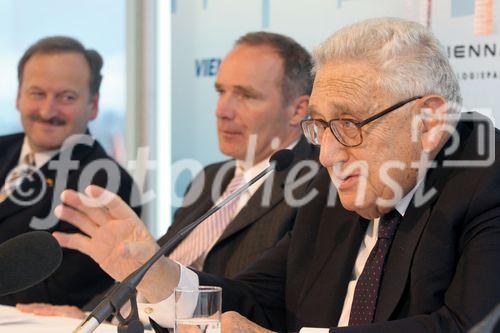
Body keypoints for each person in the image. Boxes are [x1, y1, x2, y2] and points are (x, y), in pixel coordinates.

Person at [36, 18, 500, 332]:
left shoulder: (486, 180)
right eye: (319, 127)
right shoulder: (331, 191)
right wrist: (156, 275)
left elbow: (467, 325)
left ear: (430, 122)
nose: (327, 156)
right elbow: (259, 298)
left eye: (349, 125)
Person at [18, 32, 318, 318]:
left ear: (297, 110)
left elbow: (258, 301)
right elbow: (151, 269)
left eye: (246, 95)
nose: (222, 110)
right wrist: (94, 314)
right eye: (221, 91)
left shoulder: (317, 186)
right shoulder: (210, 178)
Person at [0, 36, 141, 308]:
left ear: (94, 105)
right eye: (37, 93)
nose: (47, 110)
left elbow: (58, 293)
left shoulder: (106, 183)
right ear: (18, 96)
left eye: (66, 97)